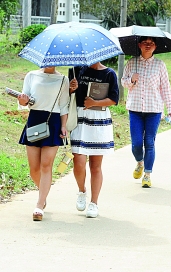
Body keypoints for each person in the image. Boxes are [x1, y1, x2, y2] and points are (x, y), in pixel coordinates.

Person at [121, 36, 171, 188]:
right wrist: (132, 79)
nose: (148, 45)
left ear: (155, 47)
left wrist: (170, 110)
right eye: (145, 43)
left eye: (151, 43)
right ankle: (140, 162)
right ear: (139, 44)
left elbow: (165, 88)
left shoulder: (160, 65)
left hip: (154, 110)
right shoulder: (132, 63)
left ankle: (147, 175)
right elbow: (123, 82)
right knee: (136, 143)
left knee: (149, 142)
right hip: (135, 109)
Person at [17, 66, 70, 221]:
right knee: (34, 169)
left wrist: (63, 125)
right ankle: (43, 193)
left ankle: (39, 205)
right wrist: (23, 101)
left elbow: (64, 105)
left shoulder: (63, 79)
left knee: (46, 165)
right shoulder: (31, 75)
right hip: (34, 120)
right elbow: (23, 101)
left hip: (53, 121)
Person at [68, 62, 119, 218]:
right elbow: (67, 95)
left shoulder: (109, 73)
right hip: (79, 118)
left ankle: (94, 202)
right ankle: (82, 190)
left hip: (98, 118)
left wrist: (95, 103)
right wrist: (71, 88)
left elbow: (114, 99)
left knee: (96, 165)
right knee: (79, 161)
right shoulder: (76, 69)